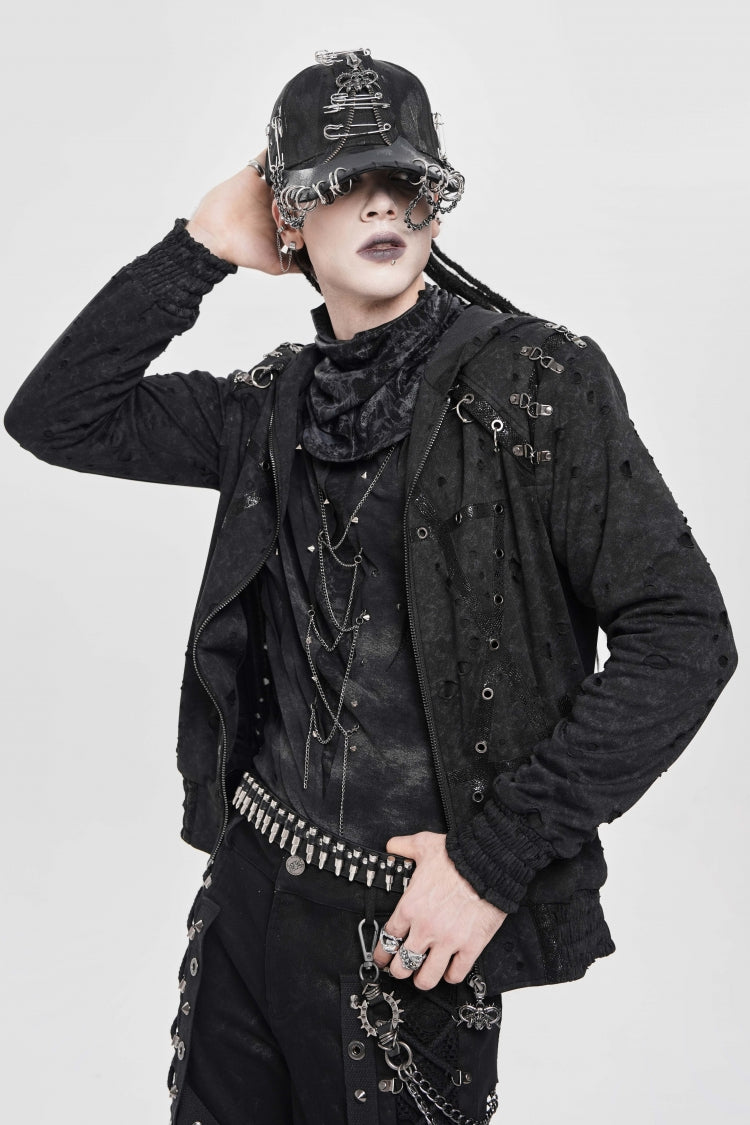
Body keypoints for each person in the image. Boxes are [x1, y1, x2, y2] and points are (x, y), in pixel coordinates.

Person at [4, 47, 737, 1125]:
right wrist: (198, 248)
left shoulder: (539, 383)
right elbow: (55, 416)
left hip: (413, 929)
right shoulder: (269, 404)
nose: (384, 202)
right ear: (289, 218)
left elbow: (684, 636)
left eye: (406, 179)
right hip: (252, 892)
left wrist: (491, 861)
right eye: (344, 182)